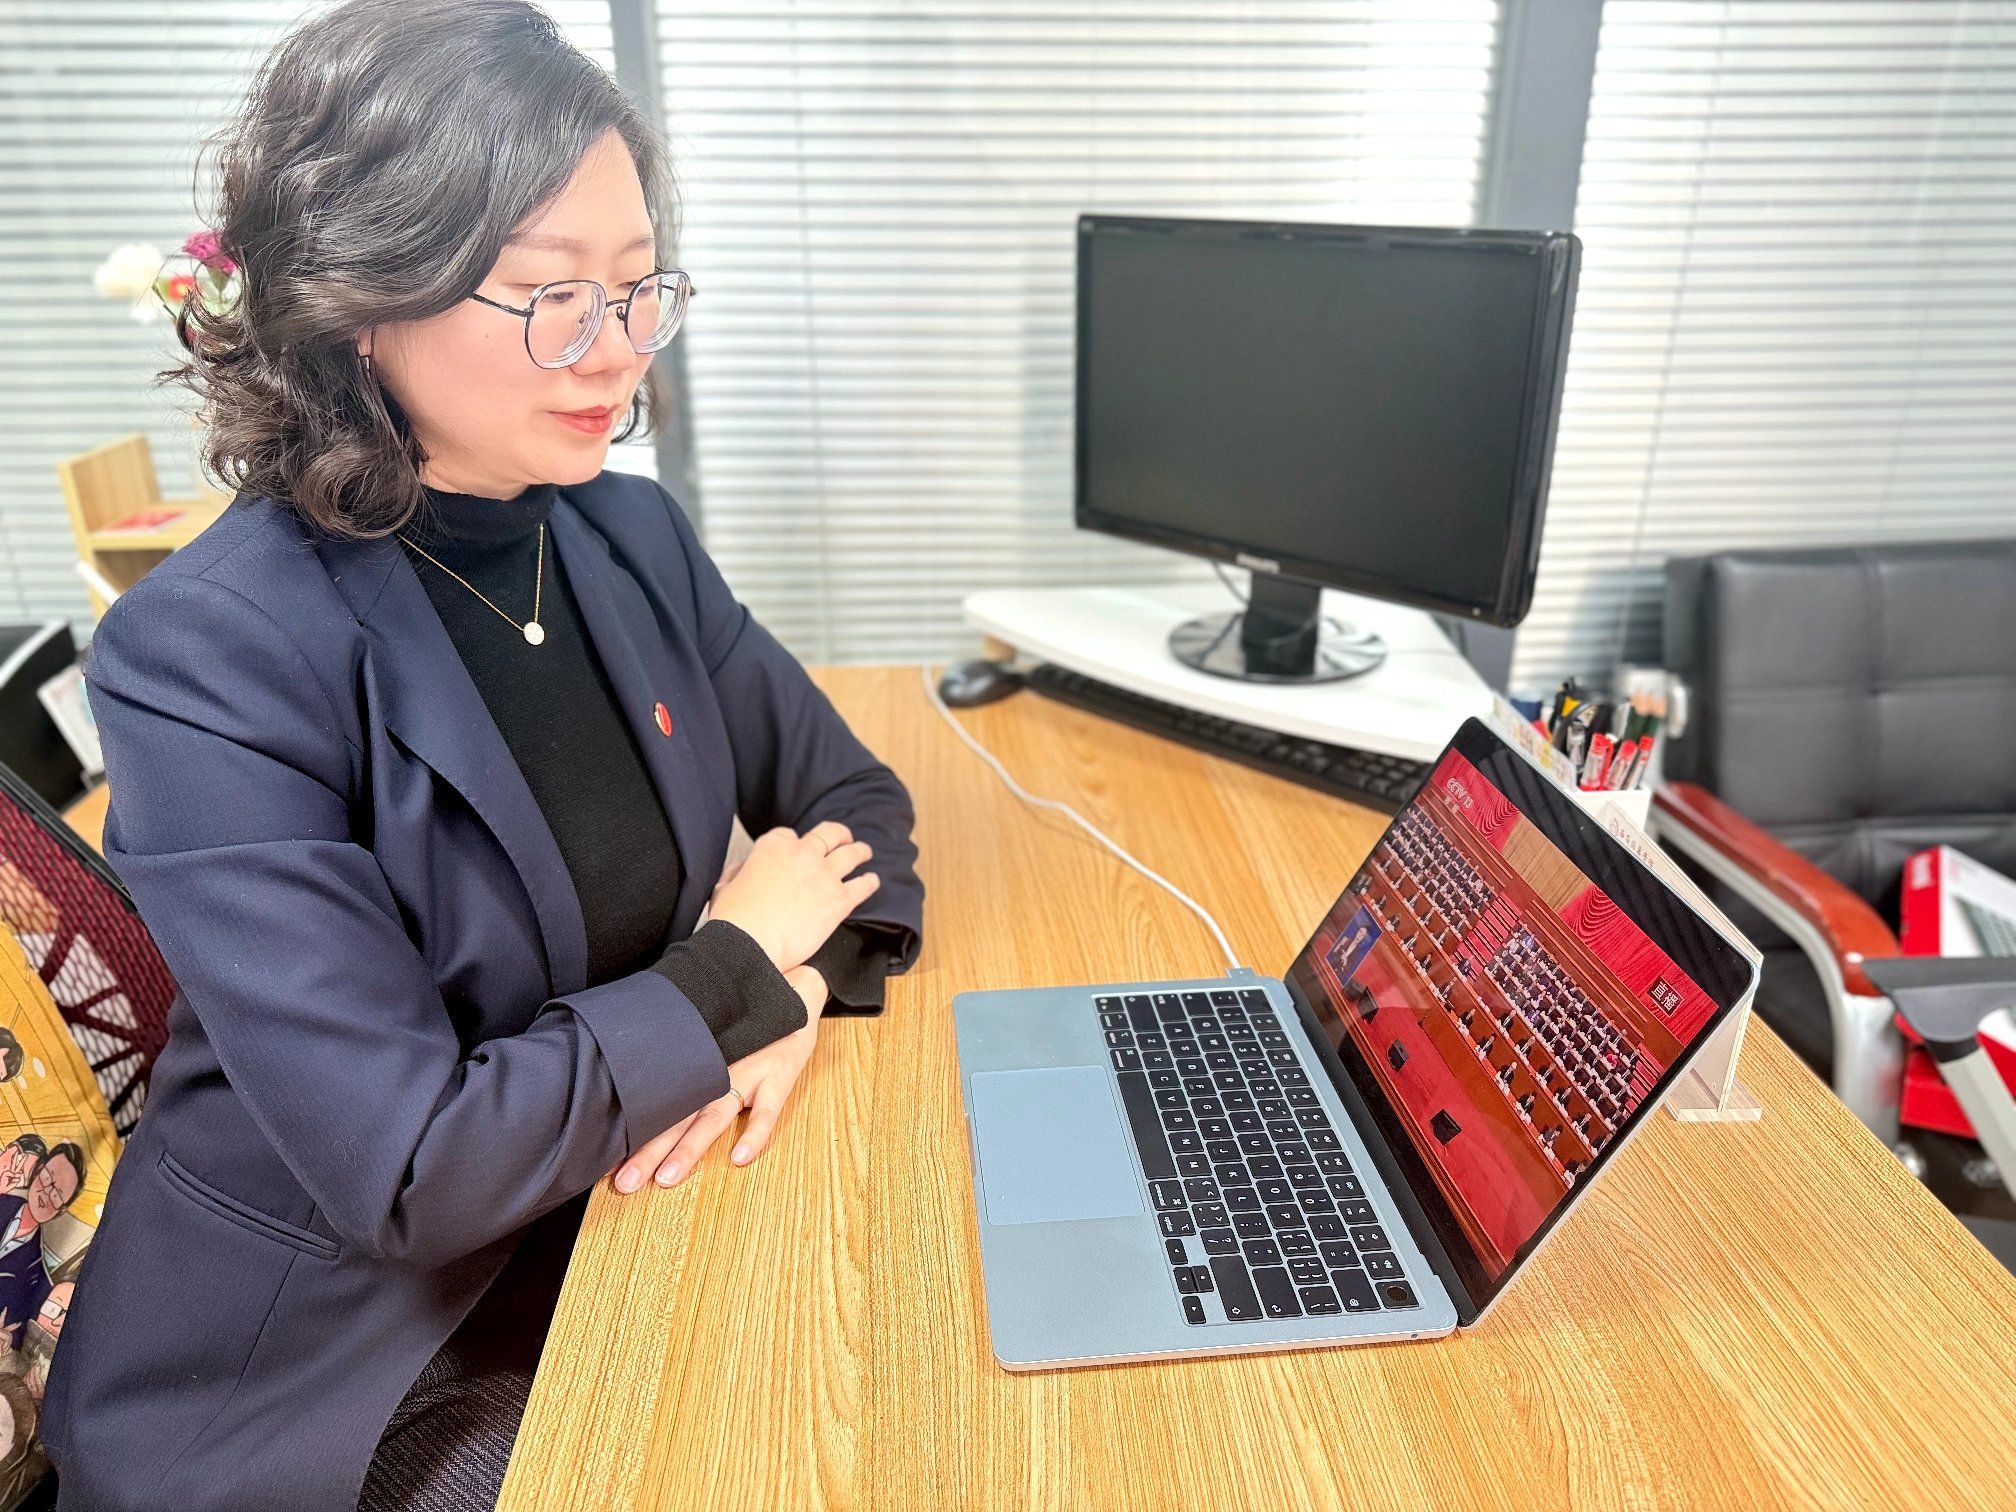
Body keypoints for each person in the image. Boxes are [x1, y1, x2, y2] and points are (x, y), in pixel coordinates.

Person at [40, 3, 925, 1508]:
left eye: (638, 289)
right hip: (331, 1369)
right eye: (551, 294)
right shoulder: (210, 654)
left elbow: (852, 804)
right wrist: (728, 977)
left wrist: (787, 995)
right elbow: (412, 1169)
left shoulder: (626, 536)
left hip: (605, 1210)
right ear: (360, 300)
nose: (617, 350)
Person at [0, 1144, 80, 1351]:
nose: (46, 1193)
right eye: (47, 1178)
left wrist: (7, 1340)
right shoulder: (2, 1199)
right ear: (37, 1170)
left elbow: (18, 1332)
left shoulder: (37, 1276)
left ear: (61, 1210)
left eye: (57, 1194)